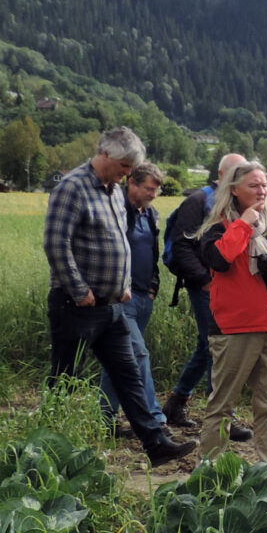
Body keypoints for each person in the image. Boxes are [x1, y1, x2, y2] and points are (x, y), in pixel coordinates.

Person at [43, 127, 194, 467]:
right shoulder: (72, 188)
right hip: (76, 306)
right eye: (125, 165)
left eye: (131, 168)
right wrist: (79, 291)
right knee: (65, 377)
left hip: (112, 306)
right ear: (106, 154)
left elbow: (119, 244)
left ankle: (156, 444)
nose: (128, 173)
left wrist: (124, 284)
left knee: (129, 374)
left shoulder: (112, 191)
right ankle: (48, 448)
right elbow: (56, 244)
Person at [195, 161, 267, 464]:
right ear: (233, 190)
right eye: (253, 186)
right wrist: (244, 224)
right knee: (222, 407)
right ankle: (209, 476)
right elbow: (219, 260)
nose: (262, 191)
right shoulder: (217, 228)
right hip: (236, 331)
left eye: (264, 185)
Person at [161, 152, 251, 443]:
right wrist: (204, 281)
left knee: (207, 345)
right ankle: (224, 416)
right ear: (222, 174)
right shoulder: (199, 202)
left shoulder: (236, 205)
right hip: (207, 288)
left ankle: (177, 402)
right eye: (237, 172)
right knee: (219, 346)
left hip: (228, 288)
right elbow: (182, 247)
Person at [101, 162, 168, 437]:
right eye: (149, 189)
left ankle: (103, 419)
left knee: (119, 359)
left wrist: (152, 288)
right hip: (119, 299)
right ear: (133, 183)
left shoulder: (149, 215)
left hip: (143, 298)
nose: (153, 194)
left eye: (156, 190)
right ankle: (154, 419)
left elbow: (151, 254)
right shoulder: (117, 212)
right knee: (138, 354)